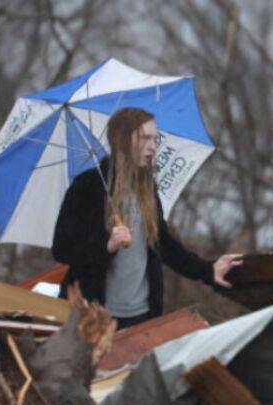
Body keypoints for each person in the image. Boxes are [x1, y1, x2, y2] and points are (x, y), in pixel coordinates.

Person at [52, 107, 242, 329]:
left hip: (141, 316)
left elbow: (163, 244)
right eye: (145, 138)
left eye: (155, 138)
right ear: (123, 140)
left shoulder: (146, 188)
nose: (153, 146)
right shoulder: (89, 186)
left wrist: (208, 270)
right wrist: (106, 245)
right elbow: (62, 248)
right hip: (92, 317)